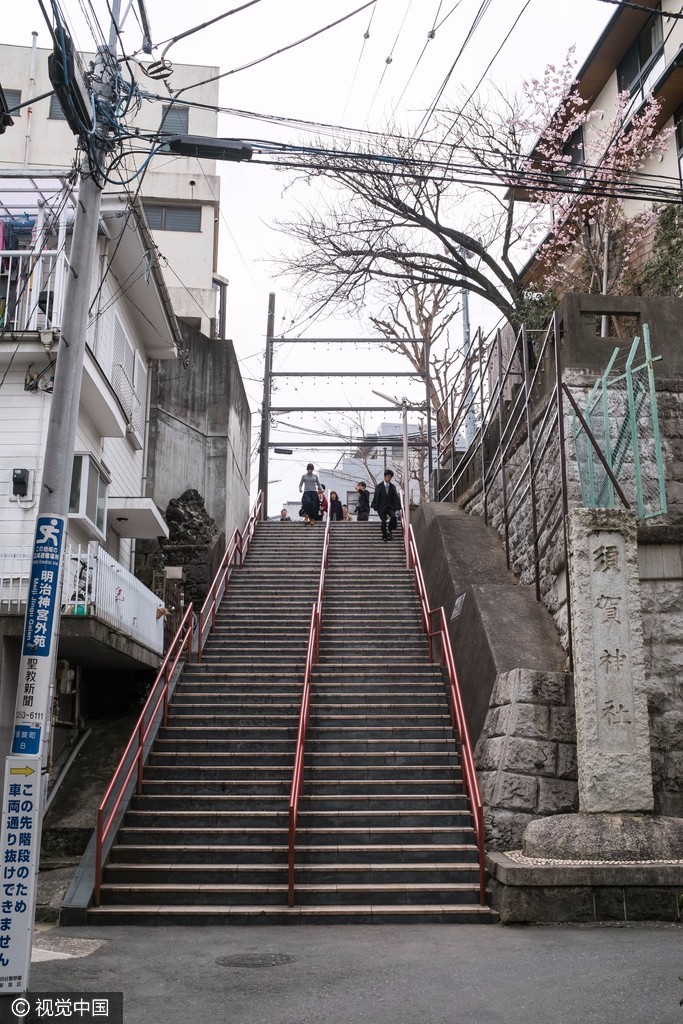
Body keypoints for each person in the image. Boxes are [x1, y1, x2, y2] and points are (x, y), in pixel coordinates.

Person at [371, 469, 402, 542]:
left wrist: (397, 506)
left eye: (390, 477)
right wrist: (376, 506)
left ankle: (390, 531)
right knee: (384, 521)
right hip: (381, 507)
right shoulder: (379, 486)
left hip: (390, 507)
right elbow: (376, 496)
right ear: (385, 477)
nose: (389, 479)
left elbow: (395, 497)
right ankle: (384, 536)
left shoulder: (392, 486)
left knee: (394, 517)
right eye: (388, 477)